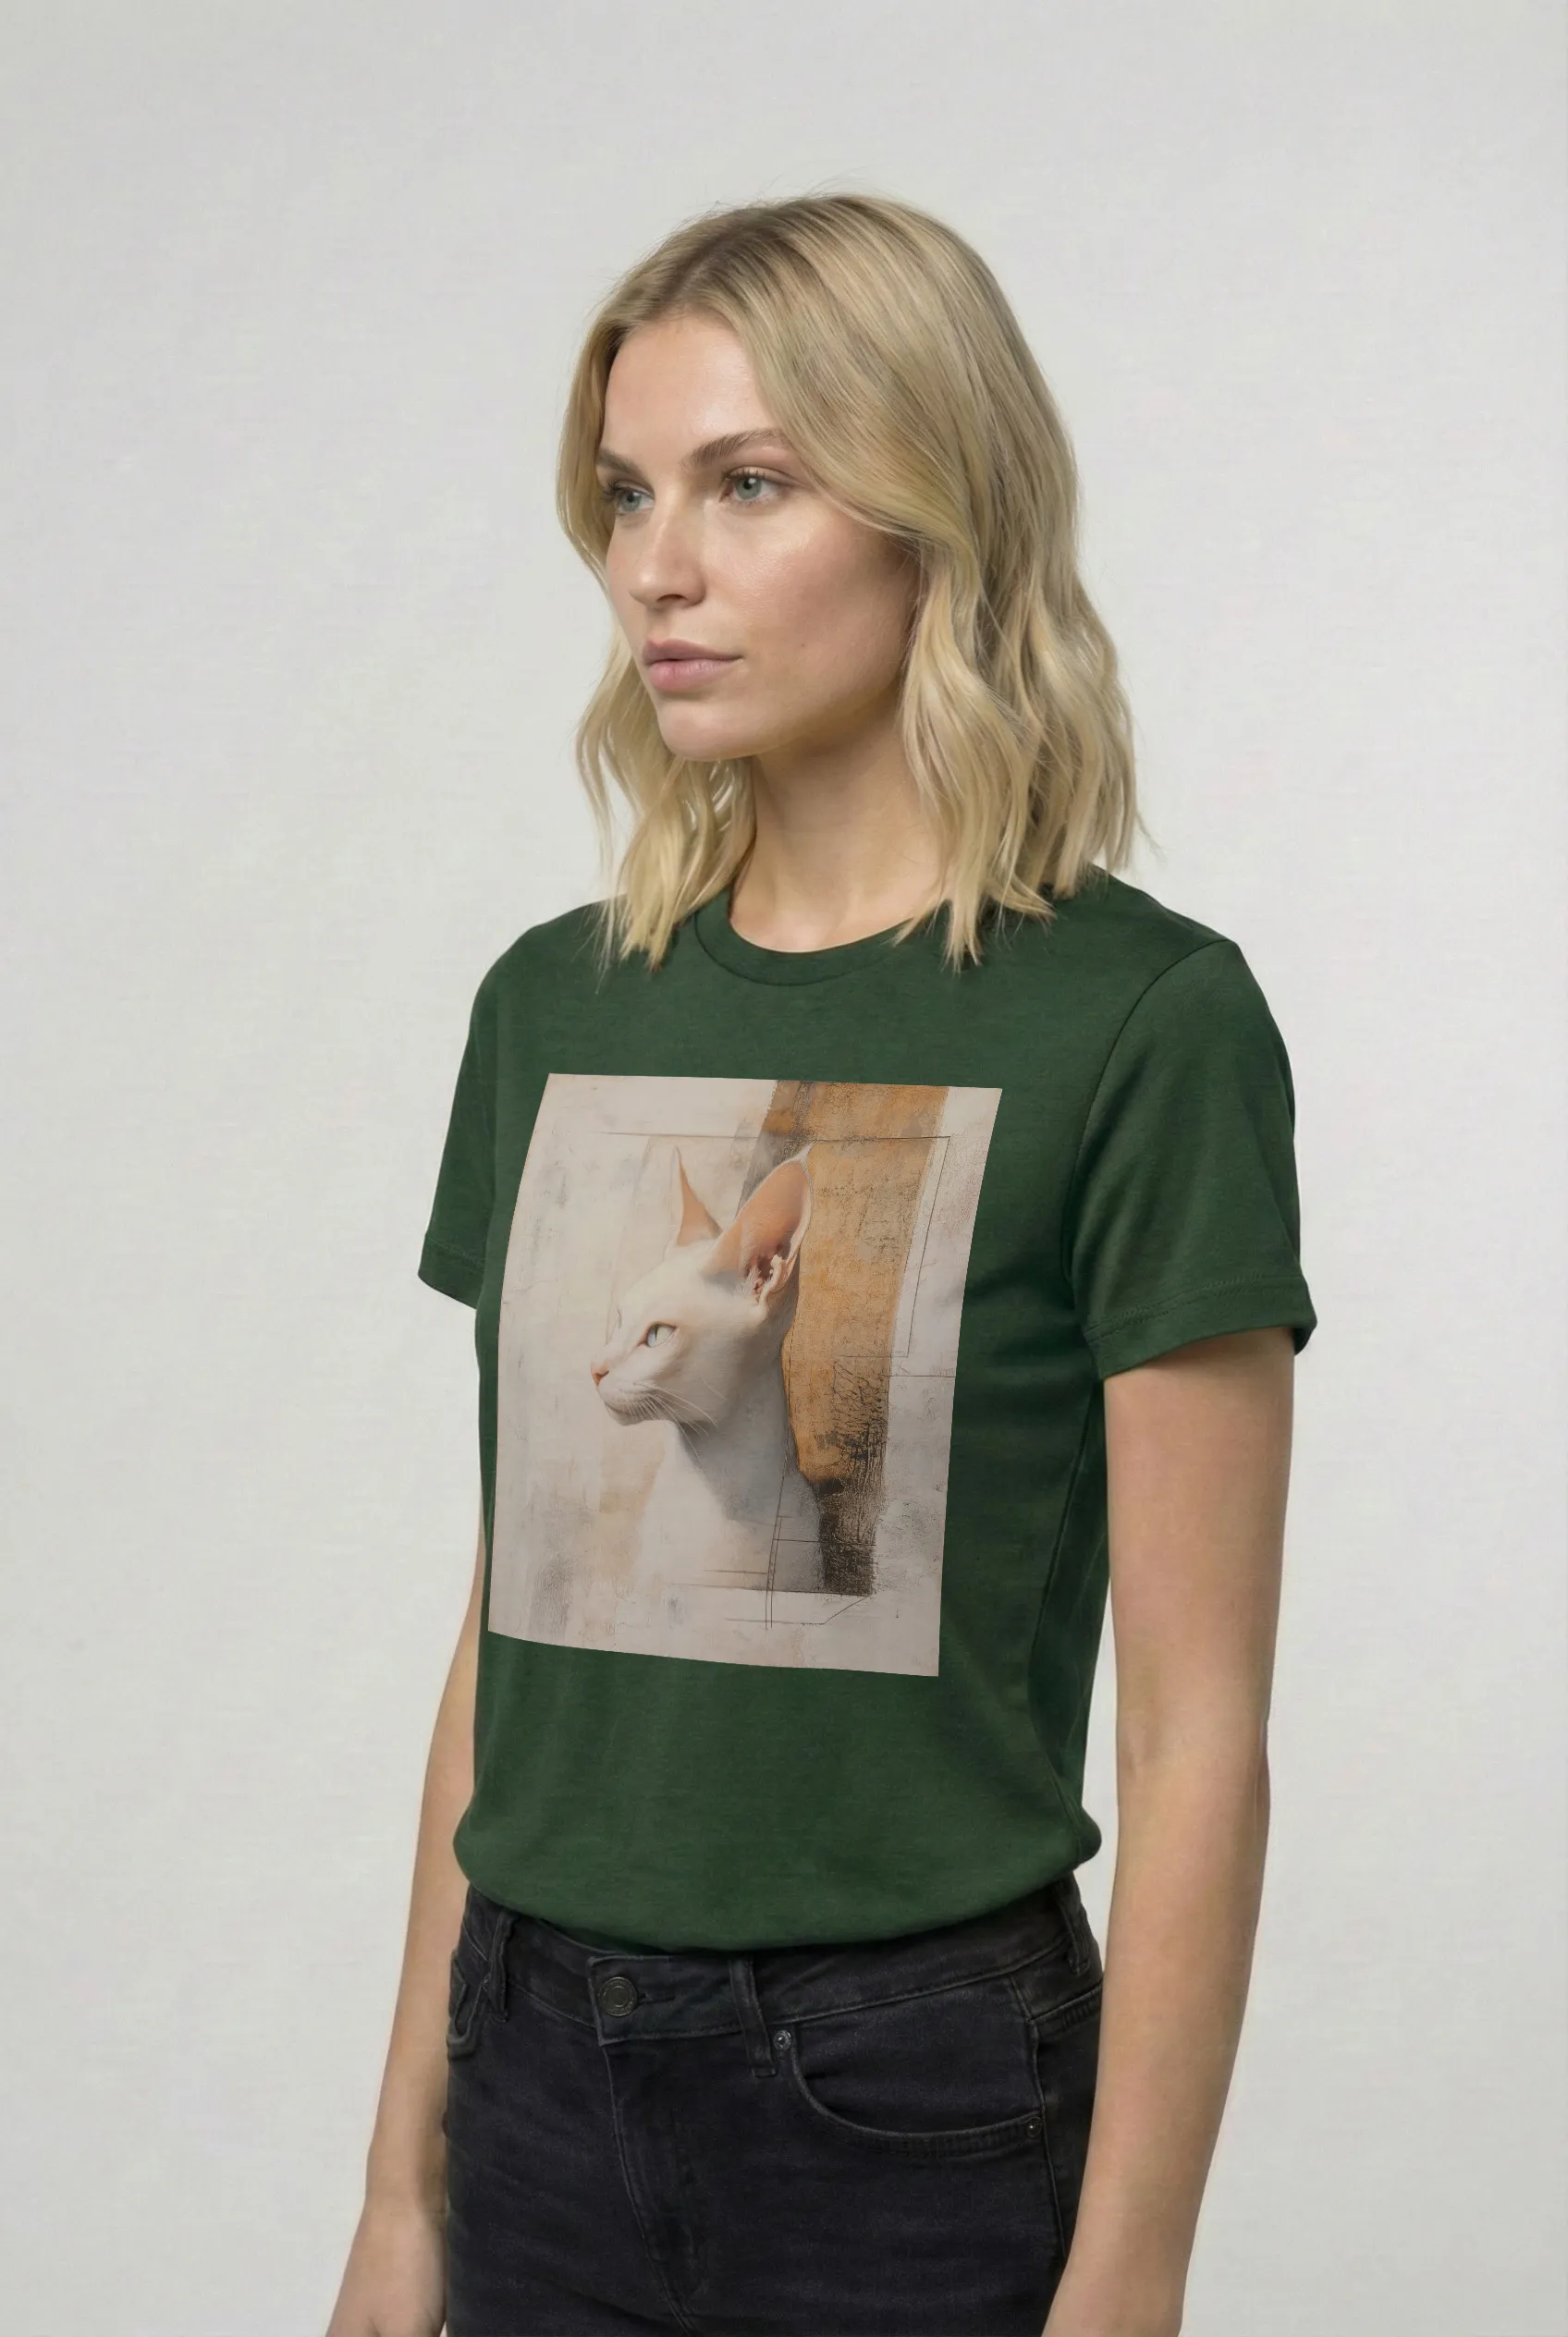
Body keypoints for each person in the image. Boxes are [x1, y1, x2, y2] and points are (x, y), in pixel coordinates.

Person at [326, 192, 1317, 2337]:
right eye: (625, 493)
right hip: (530, 2070)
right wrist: (400, 2188)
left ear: (934, 509)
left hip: (910, 2096)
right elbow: (511, 1631)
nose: (652, 567)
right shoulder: (551, 1005)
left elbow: (1195, 1733)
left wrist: (1126, 2282)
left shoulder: (1139, 1024)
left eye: (747, 483)